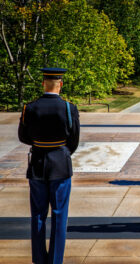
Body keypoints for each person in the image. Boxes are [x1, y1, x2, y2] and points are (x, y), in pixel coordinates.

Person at [18, 68, 80, 264]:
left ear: (43, 83)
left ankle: (39, 259)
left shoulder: (30, 107)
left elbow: (23, 136)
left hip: (37, 164)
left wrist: (40, 144)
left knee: (37, 214)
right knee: (59, 215)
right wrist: (61, 152)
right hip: (60, 165)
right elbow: (74, 140)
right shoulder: (69, 108)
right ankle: (55, 261)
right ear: (60, 84)